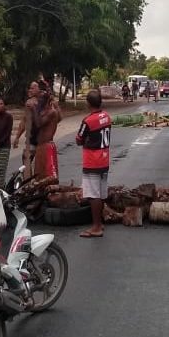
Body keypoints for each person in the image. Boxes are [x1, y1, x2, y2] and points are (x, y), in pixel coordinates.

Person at [75, 89, 111, 238]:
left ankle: (96, 227)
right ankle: (100, 223)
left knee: (93, 194)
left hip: (92, 161)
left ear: (88, 103)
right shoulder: (107, 117)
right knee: (101, 193)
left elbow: (79, 140)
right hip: (104, 158)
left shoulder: (88, 121)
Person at [33, 81, 61, 180]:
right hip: (41, 146)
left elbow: (38, 124)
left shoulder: (51, 112)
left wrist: (34, 109)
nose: (38, 101)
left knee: (49, 176)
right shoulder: (45, 111)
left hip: (47, 146)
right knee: (39, 175)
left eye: (40, 99)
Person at [12, 81, 42, 171]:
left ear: (39, 89)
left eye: (33, 88)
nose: (30, 90)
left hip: (43, 139)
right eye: (30, 88)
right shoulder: (29, 102)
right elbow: (24, 120)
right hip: (31, 138)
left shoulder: (45, 101)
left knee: (41, 166)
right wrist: (17, 137)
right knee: (26, 163)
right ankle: (27, 182)